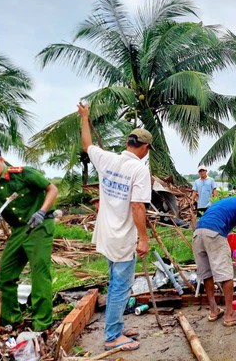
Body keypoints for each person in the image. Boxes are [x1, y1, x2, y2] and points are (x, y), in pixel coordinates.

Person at [78, 102, 151, 352]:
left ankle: (117, 326)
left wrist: (84, 117)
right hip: (123, 237)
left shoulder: (106, 158)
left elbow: (87, 144)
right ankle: (111, 336)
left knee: (116, 281)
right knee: (121, 285)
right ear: (144, 147)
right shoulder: (138, 169)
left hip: (107, 234)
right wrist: (143, 238)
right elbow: (137, 207)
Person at [0, 145, 58, 333]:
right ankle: (12, 320)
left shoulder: (23, 174)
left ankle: (42, 324)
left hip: (40, 225)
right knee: (4, 276)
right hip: (19, 231)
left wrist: (42, 211)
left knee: (39, 273)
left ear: (1, 160)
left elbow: (52, 189)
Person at [192, 181, 236, 327]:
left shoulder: (227, 201)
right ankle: (229, 314)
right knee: (226, 274)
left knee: (207, 273)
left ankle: (214, 310)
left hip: (197, 233)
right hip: (214, 233)